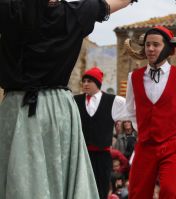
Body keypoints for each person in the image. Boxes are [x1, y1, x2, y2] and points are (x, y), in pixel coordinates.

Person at [0, 1, 137, 198]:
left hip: (17, 107)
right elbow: (113, 3)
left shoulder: (9, 9)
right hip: (57, 108)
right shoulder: (76, 12)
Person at [125, 26, 176, 199]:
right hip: (145, 145)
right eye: (147, 45)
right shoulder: (134, 77)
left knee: (169, 191)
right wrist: (144, 129)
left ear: (167, 48)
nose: (150, 49)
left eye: (156, 45)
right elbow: (130, 109)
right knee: (137, 193)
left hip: (173, 146)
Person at [74, 66, 126, 199]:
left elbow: (132, 110)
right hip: (83, 154)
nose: (85, 84)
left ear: (97, 83)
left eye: (89, 81)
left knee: (101, 189)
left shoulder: (113, 100)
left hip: (103, 155)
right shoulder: (75, 100)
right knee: (82, 189)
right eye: (84, 81)